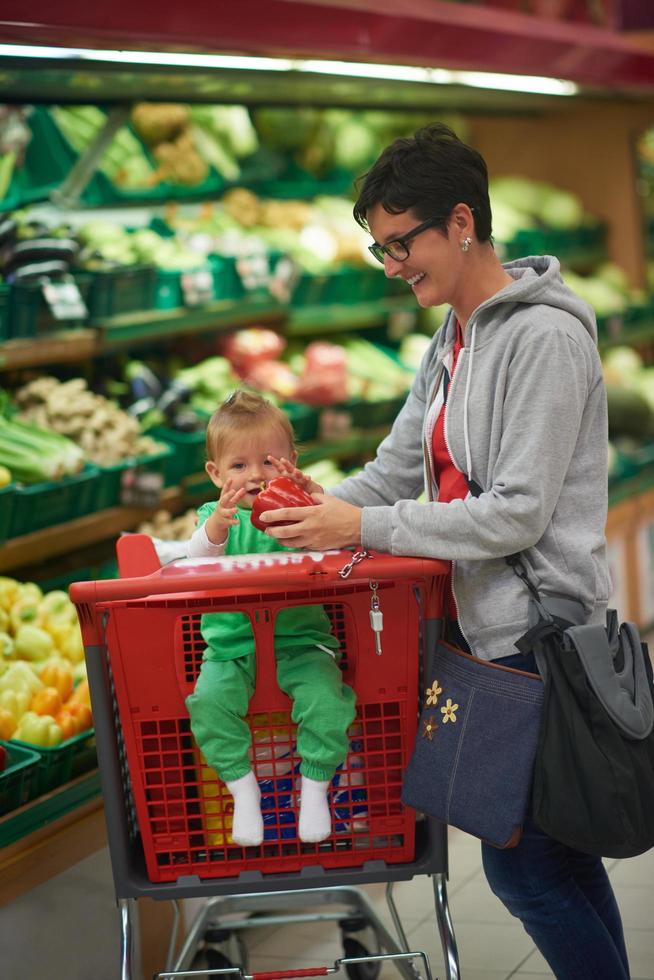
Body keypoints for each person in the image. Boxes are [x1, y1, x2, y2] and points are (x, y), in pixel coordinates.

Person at [256, 124, 629, 979]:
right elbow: (392, 472)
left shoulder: (544, 339)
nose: (392, 266)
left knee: (525, 867)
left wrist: (366, 530)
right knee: (559, 859)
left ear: (462, 222)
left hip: (541, 638)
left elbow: (517, 516)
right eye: (379, 250)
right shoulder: (453, 338)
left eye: (401, 243)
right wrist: (299, 506)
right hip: (487, 638)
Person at [184, 390, 356, 847]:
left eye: (269, 461)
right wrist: (218, 524)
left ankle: (315, 786)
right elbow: (197, 558)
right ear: (215, 474)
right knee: (207, 704)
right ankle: (243, 790)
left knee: (327, 700)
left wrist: (312, 502)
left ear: (291, 462)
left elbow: (332, 551)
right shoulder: (215, 518)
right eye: (239, 466)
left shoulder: (298, 511)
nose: (255, 475)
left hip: (300, 643)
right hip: (232, 648)